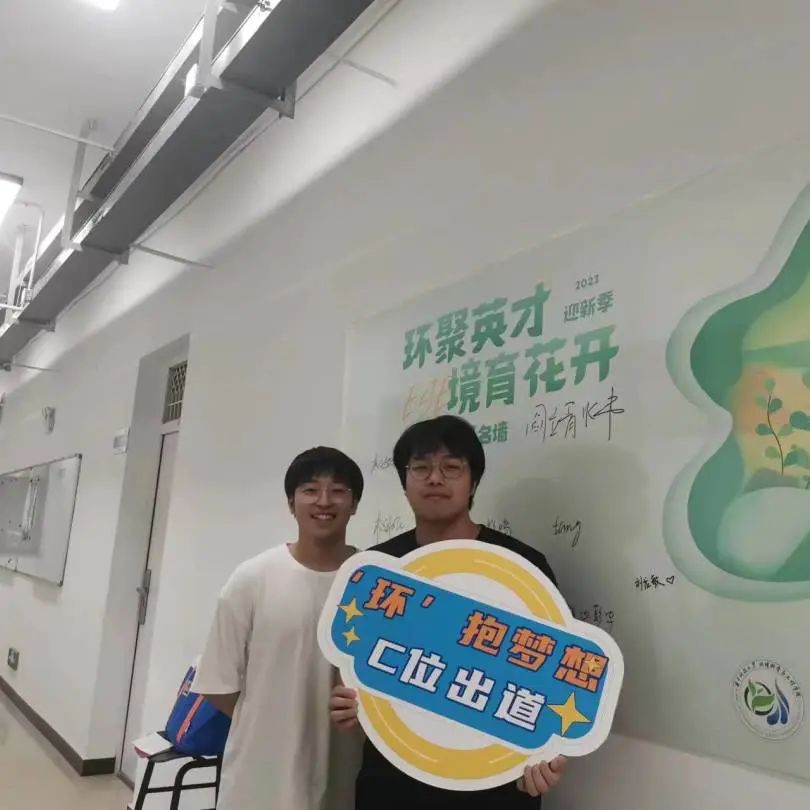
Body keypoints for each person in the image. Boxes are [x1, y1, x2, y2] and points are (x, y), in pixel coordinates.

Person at [330, 416, 568, 808]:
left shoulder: (523, 568)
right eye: (420, 468)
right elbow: (356, 668)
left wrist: (550, 754)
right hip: (393, 782)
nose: (435, 479)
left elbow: (556, 679)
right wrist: (351, 704)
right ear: (405, 482)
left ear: (473, 482)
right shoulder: (377, 569)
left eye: (451, 467)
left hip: (495, 786)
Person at [193, 446, 365, 810]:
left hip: (342, 779)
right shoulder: (252, 578)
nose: (324, 501)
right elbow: (217, 685)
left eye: (338, 491)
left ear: (354, 504)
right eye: (310, 490)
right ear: (291, 503)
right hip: (258, 783)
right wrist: (272, 721)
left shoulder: (375, 586)